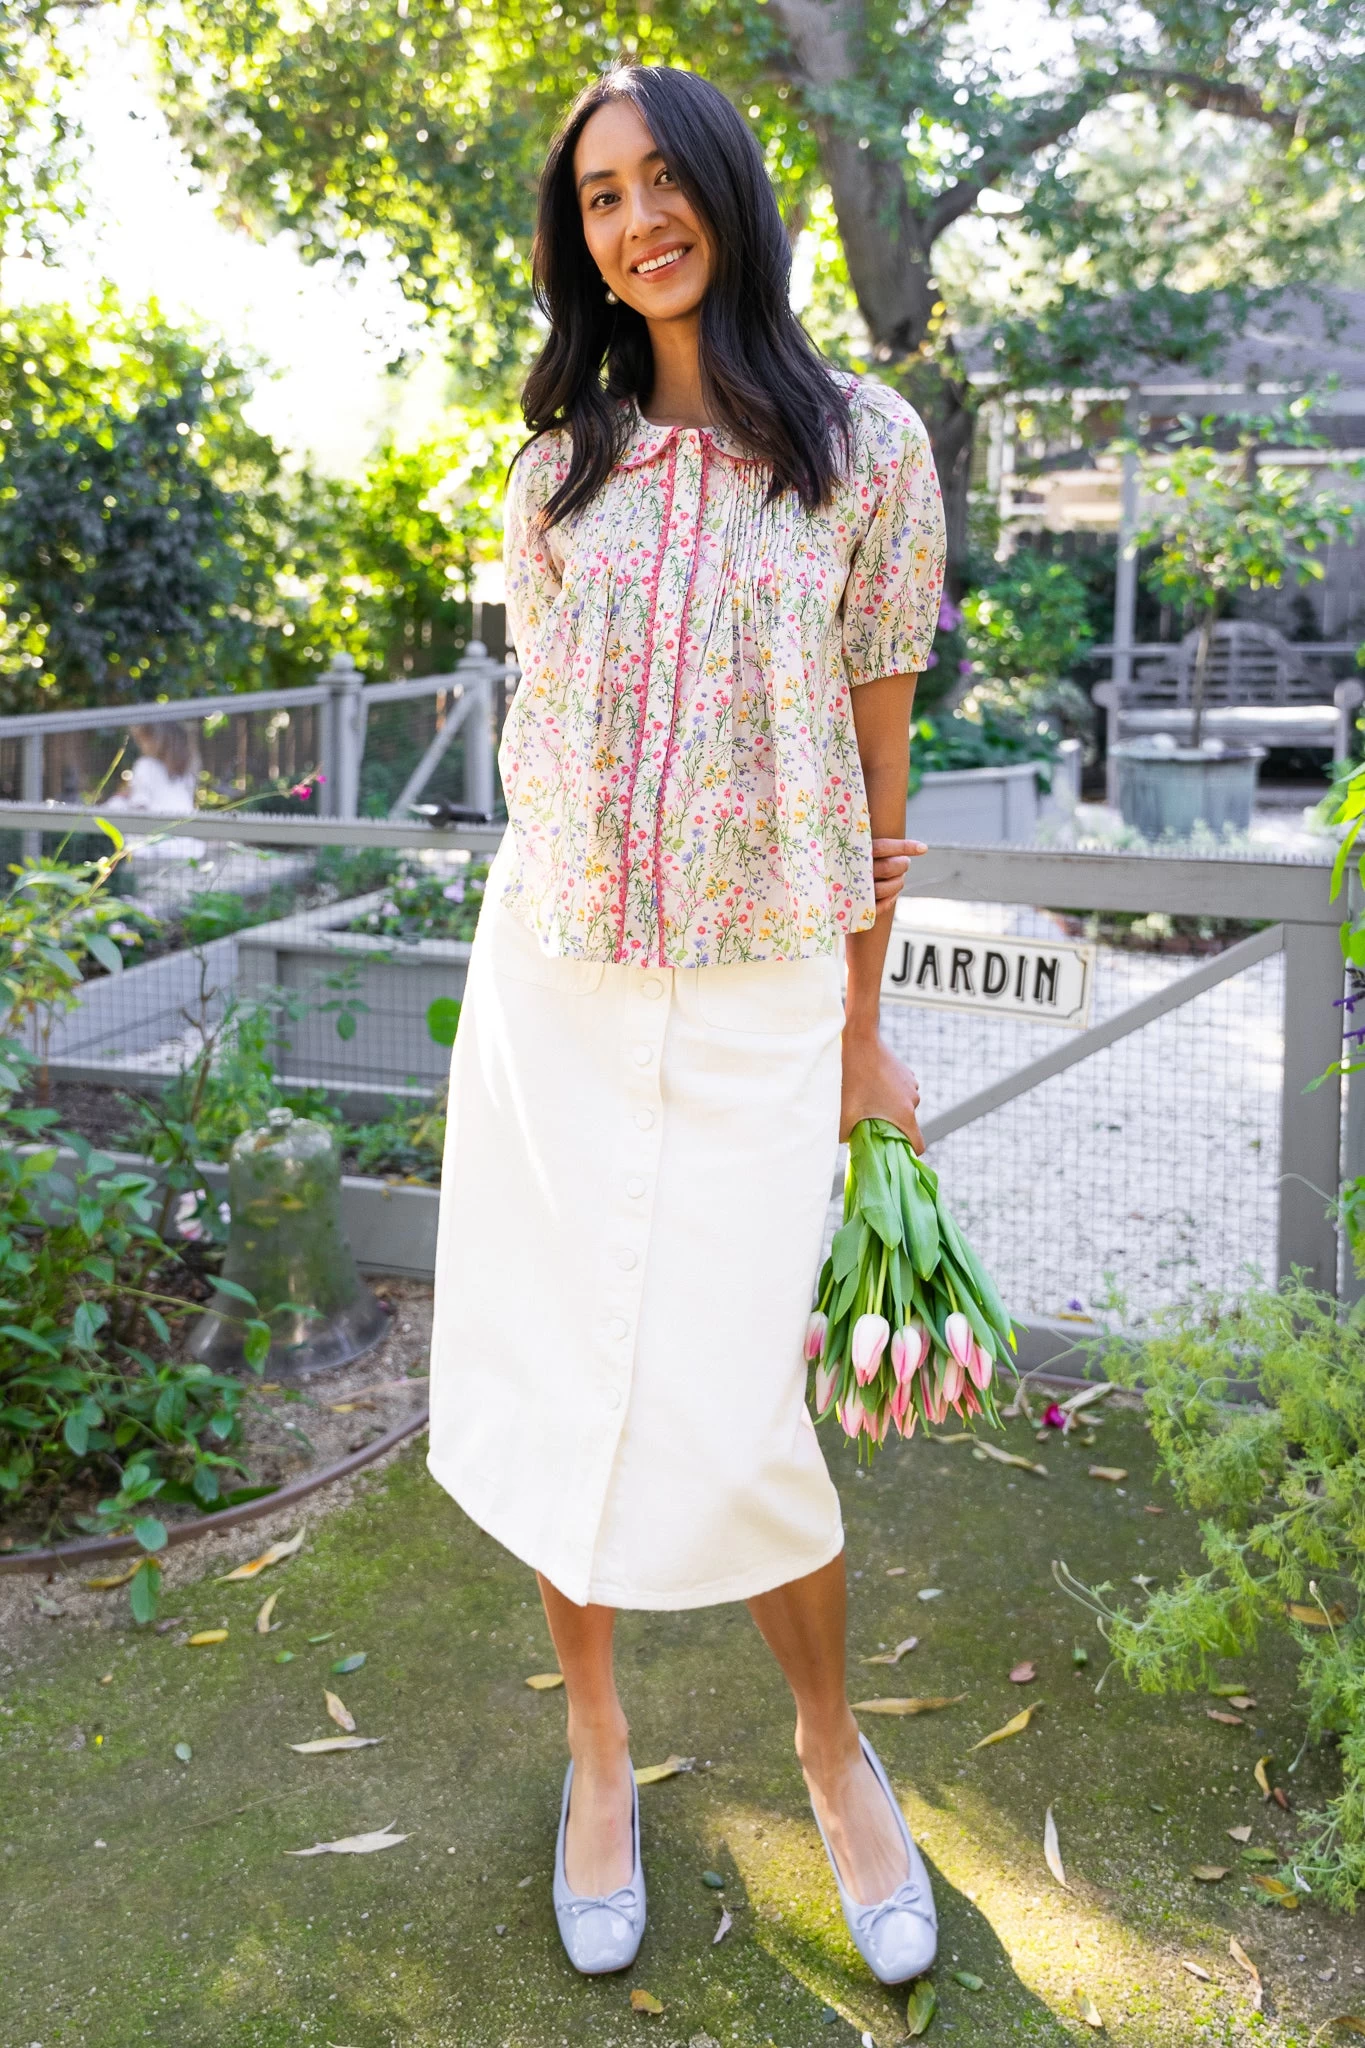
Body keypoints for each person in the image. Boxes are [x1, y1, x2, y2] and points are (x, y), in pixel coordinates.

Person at [426, 63, 946, 1988]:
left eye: (662, 181)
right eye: (600, 197)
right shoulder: (552, 472)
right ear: (576, 239)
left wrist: (863, 1032)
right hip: (558, 983)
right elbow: (549, 759)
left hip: (764, 995)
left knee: (741, 1414)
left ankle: (832, 1748)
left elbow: (882, 779)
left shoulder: (865, 448)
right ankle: (596, 1749)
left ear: (726, 188)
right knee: (564, 1379)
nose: (636, 221)